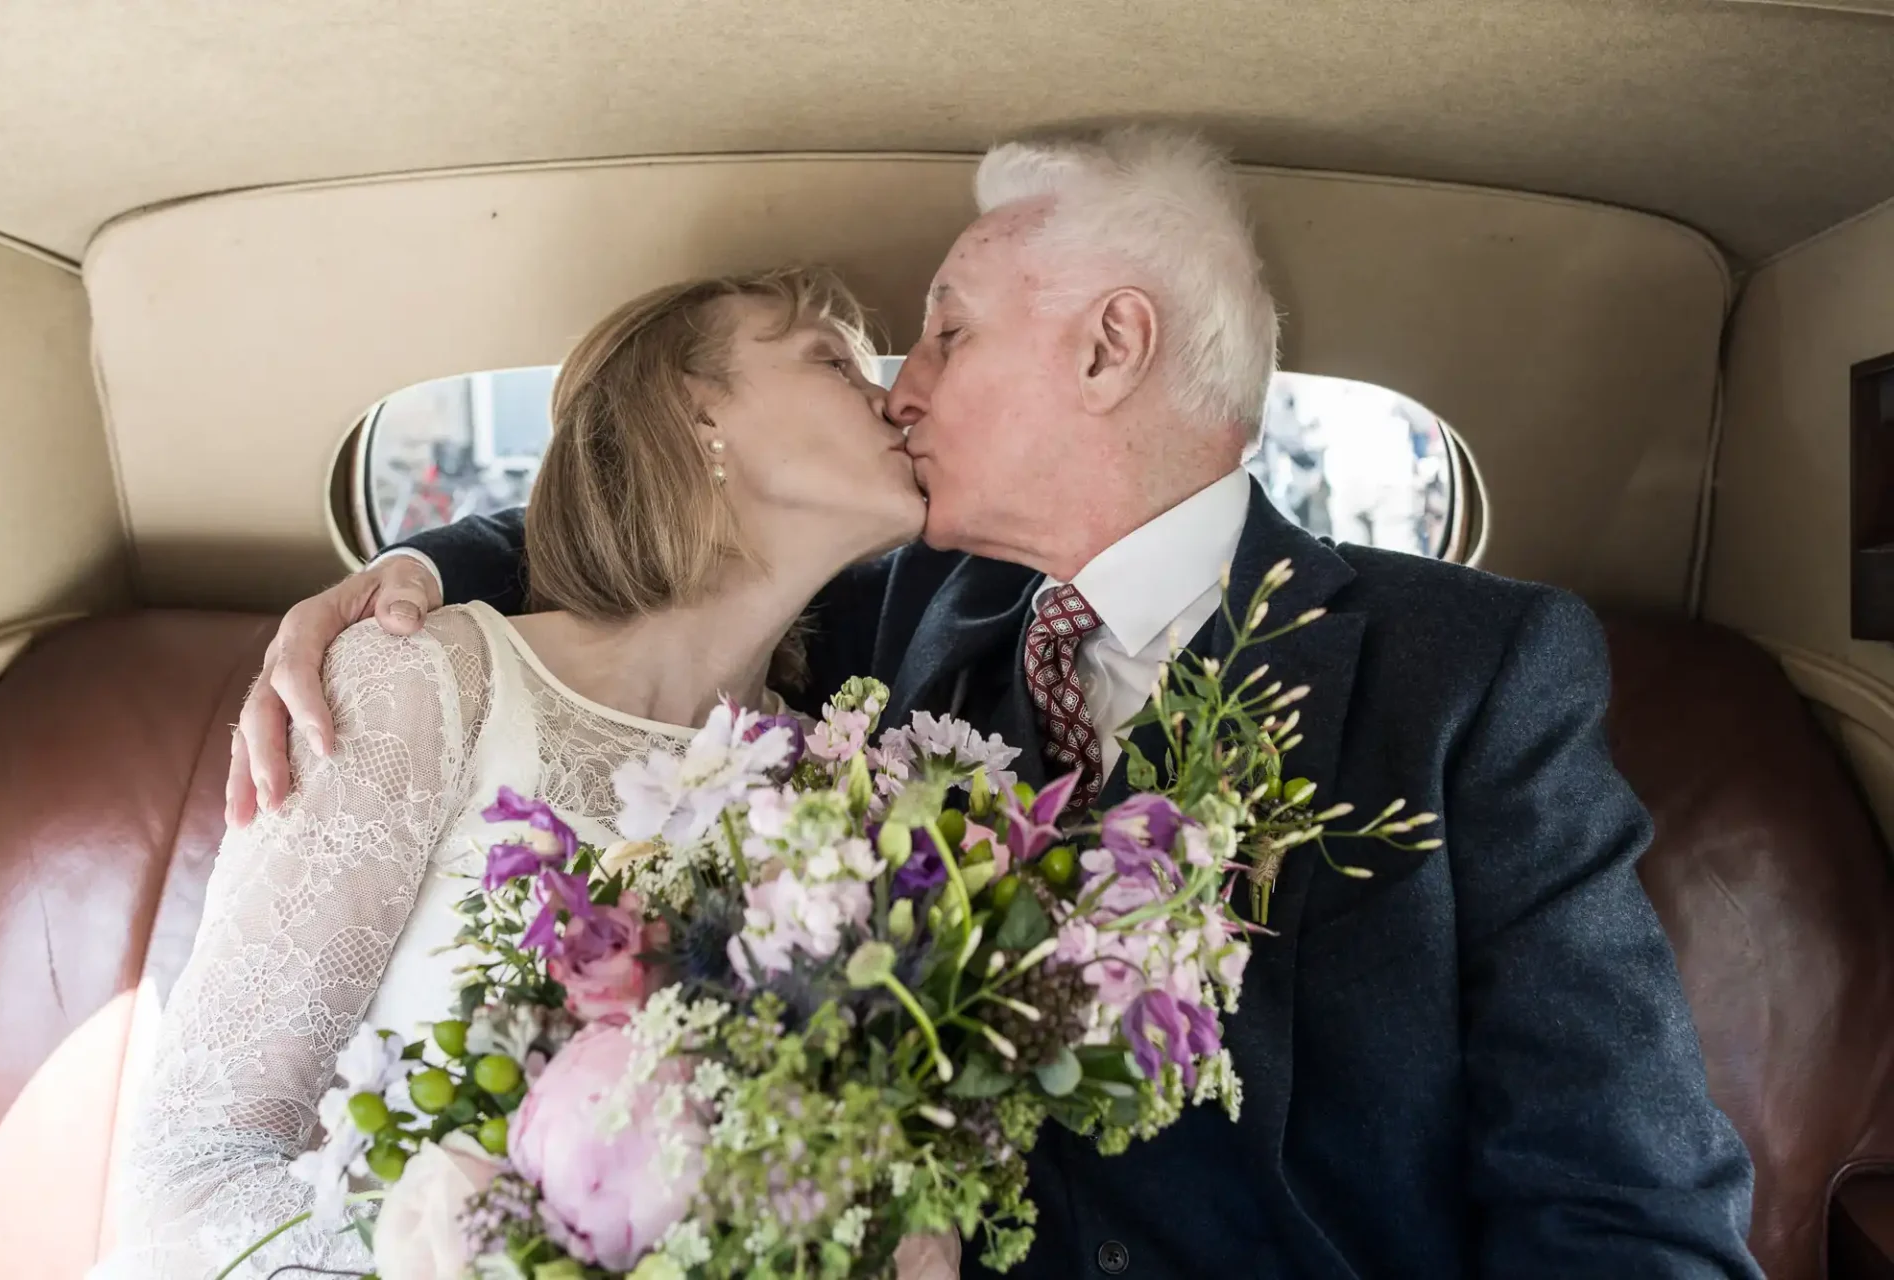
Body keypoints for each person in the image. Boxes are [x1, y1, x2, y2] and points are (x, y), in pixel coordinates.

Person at [232, 128, 1763, 1278]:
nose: (902, 391)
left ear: (1111, 347)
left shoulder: (1477, 677)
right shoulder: (891, 609)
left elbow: (1624, 1205)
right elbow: (660, 533)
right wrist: (406, 580)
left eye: (946, 334)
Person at [99, 267, 949, 1277]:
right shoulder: (424, 683)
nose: (896, 395)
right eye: (830, 359)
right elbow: (190, 1173)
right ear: (697, 412)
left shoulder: (840, 802)